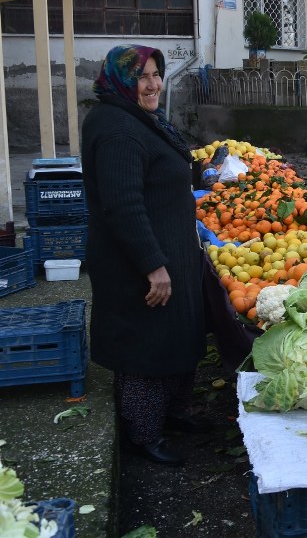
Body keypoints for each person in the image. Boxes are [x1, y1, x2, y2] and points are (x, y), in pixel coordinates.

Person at [82, 45, 207, 466]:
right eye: (142, 77)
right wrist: (154, 266)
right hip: (140, 261)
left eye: (156, 74)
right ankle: (142, 433)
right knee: (147, 345)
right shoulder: (118, 128)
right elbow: (123, 205)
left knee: (177, 333)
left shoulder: (138, 118)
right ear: (120, 79)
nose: (152, 84)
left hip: (170, 248)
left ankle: (170, 415)